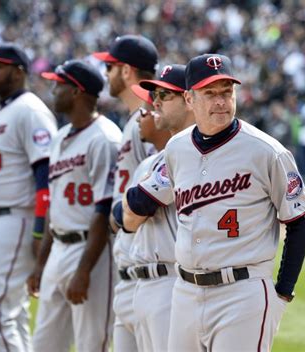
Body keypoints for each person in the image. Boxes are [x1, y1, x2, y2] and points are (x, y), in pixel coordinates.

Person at [150, 54, 305, 351]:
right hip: (184, 290)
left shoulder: (266, 151)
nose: (221, 101)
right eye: (210, 93)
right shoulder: (176, 149)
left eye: (227, 92)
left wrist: (284, 291)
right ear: (189, 98)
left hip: (242, 292)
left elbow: (300, 219)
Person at [0, 44, 57, 351]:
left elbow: (45, 172)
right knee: (10, 315)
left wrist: (39, 228)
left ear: (18, 71)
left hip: (12, 219)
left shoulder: (30, 109)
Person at [28, 60, 121, 352]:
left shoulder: (105, 138)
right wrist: (41, 264)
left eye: (60, 85)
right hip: (59, 247)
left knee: (92, 344)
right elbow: (55, 208)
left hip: (92, 250)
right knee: (43, 344)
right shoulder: (58, 139)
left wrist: (84, 270)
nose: (54, 90)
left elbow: (103, 211)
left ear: (78, 91)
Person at [122, 64, 195, 351]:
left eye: (165, 96)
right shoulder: (163, 156)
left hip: (172, 280)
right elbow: (125, 219)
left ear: (189, 100)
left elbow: (135, 207)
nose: (155, 103)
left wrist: (130, 207)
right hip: (146, 282)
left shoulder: (190, 150)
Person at [93, 34, 158, 352]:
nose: (106, 74)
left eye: (110, 66)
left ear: (127, 70)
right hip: (131, 268)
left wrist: (123, 216)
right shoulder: (134, 120)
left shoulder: (151, 120)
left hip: (151, 266)